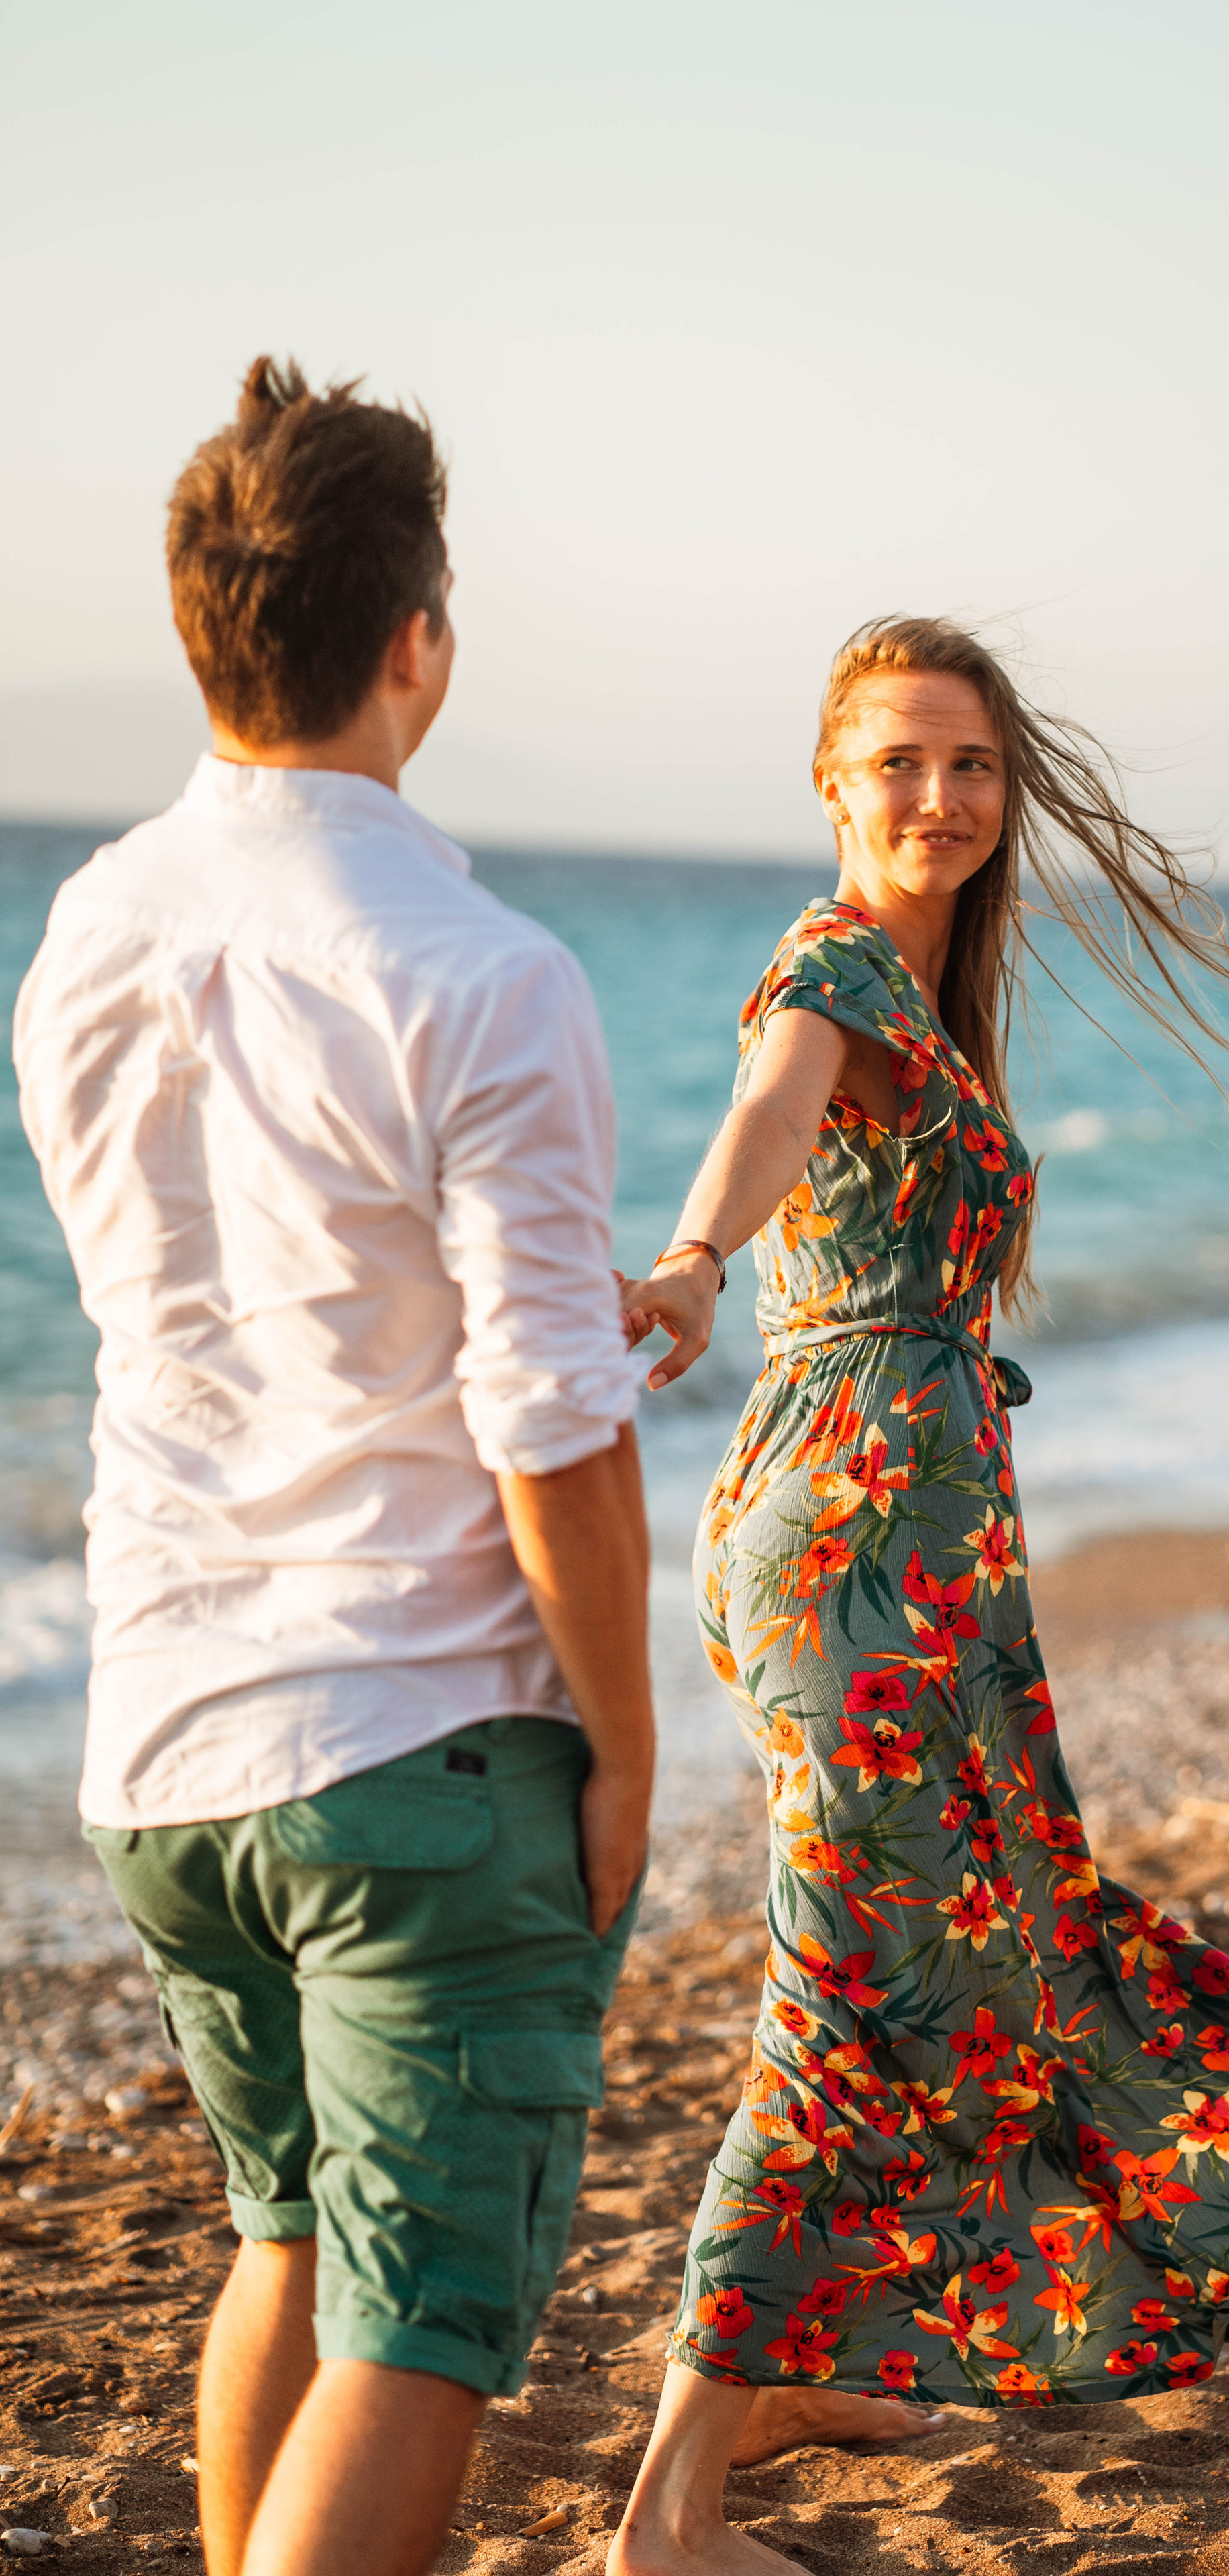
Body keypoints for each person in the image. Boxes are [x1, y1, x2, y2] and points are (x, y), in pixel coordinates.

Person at [606, 617, 1229, 2576]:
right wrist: (693, 1255)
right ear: (829, 785)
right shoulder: (841, 968)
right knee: (855, 1979)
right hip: (856, 1529)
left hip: (912, 1516)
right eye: (898, 765)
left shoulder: (937, 1000)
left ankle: (780, 2377)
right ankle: (668, 2509)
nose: (938, 799)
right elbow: (770, 1111)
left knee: (970, 1951)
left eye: (970, 765)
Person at [13, 357, 654, 2576]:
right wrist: (630, 1745)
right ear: (420, 643)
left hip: (164, 1748)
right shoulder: (480, 973)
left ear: (205, 632)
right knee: (424, 2329)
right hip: (412, 1746)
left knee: (287, 2239)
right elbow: (549, 1417)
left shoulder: (82, 937)